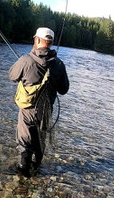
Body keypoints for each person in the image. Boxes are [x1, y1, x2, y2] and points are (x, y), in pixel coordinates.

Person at [8, 27, 69, 177]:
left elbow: (12, 76)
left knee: (24, 140)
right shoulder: (59, 65)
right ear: (51, 42)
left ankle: (23, 171)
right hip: (46, 112)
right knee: (39, 140)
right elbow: (64, 90)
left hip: (28, 110)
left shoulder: (25, 60)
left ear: (37, 40)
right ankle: (36, 167)